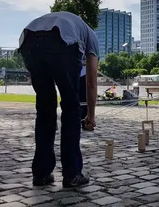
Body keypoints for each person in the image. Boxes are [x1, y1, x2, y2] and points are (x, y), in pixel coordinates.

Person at [18, 11, 99, 188]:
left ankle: (41, 173)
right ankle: (72, 174)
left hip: (27, 41)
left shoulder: (68, 20)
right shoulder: (91, 35)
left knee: (45, 109)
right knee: (71, 108)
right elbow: (91, 81)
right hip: (59, 43)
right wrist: (91, 116)